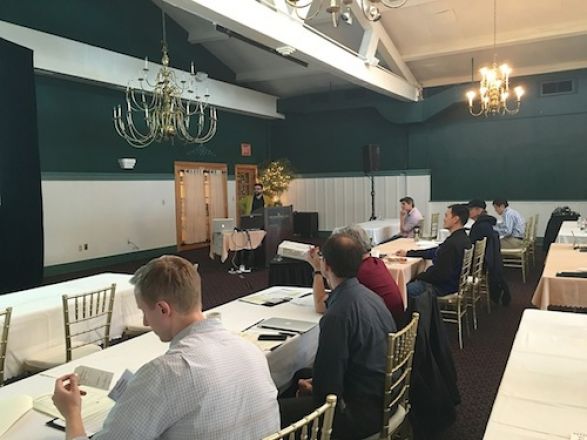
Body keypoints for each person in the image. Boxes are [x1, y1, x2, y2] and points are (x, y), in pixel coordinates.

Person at [52, 256, 280, 440]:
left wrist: (72, 413)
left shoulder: (165, 372)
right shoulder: (250, 350)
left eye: (144, 311)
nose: (144, 323)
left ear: (163, 309)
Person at [279, 233, 397, 440]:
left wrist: (312, 387)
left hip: (359, 413)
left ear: (326, 265)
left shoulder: (337, 315)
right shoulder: (371, 296)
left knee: (275, 410)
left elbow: (327, 392)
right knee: (299, 374)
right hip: (384, 395)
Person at [305, 224, 404, 325]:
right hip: (390, 327)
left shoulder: (358, 273)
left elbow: (320, 305)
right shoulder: (376, 262)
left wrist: (318, 269)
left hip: (380, 331)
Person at [397, 204, 472, 297]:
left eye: (446, 216)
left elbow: (440, 275)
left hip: (444, 287)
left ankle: (413, 311)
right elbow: (435, 251)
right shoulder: (462, 238)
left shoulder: (452, 244)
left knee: (403, 290)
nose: (444, 219)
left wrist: (419, 276)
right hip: (454, 283)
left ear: (456, 219)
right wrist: (408, 253)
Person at [468, 199, 511, 306]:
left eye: (470, 209)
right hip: (487, 263)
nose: (467, 212)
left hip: (478, 265)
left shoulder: (479, 226)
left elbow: (469, 247)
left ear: (478, 210)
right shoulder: (486, 224)